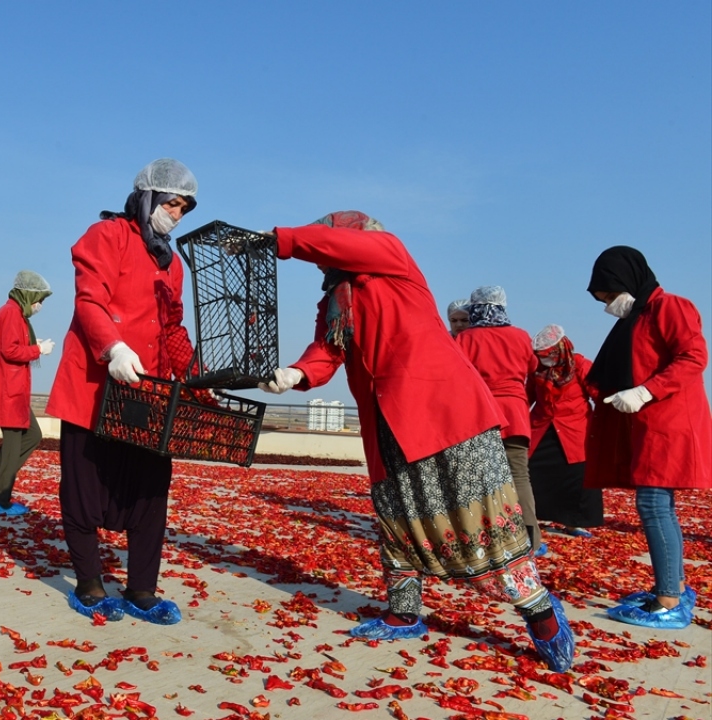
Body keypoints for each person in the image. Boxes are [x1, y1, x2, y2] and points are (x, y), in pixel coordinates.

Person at [259, 211, 573, 672]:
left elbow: (338, 245)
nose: (325, 260)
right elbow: (328, 351)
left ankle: (540, 614)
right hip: (387, 421)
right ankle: (404, 612)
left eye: (331, 243)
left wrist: (280, 240)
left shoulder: (391, 257)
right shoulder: (335, 303)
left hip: (446, 414)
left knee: (482, 519)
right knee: (398, 516)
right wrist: (296, 374)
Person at [45, 158, 199, 625]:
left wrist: (197, 377)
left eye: (184, 208)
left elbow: (172, 327)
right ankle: (90, 582)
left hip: (144, 395)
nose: (176, 214)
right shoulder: (105, 237)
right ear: (147, 198)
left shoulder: (170, 263)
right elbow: (90, 298)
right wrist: (112, 346)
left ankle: (141, 588)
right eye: (171, 203)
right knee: (83, 486)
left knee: (151, 490)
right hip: (95, 384)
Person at [584, 246, 710, 629]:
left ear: (624, 281)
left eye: (608, 295)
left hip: (668, 421)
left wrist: (646, 390)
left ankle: (669, 598)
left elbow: (693, 356)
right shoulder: (636, 317)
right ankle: (673, 586)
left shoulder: (670, 306)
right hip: (648, 424)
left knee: (654, 505)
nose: (607, 304)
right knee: (658, 506)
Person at [455, 286, 542, 553]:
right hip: (515, 413)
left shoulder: (466, 338)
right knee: (519, 476)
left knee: (477, 477)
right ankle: (530, 538)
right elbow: (532, 368)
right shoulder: (520, 336)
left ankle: (480, 536)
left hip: (481, 414)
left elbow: (457, 375)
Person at [0, 270, 55, 516]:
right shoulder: (10, 314)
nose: (39, 306)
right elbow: (11, 350)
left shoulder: (13, 314)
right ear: (27, 295)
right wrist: (38, 349)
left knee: (32, 435)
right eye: (39, 300)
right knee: (14, 442)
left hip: (13, 389)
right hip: (8, 389)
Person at [527, 325, 603, 538]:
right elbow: (527, 396)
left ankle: (574, 522)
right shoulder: (536, 370)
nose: (545, 360)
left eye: (548, 355)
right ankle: (536, 516)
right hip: (542, 427)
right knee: (533, 471)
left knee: (576, 476)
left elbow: (598, 393)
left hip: (574, 429)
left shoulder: (580, 365)